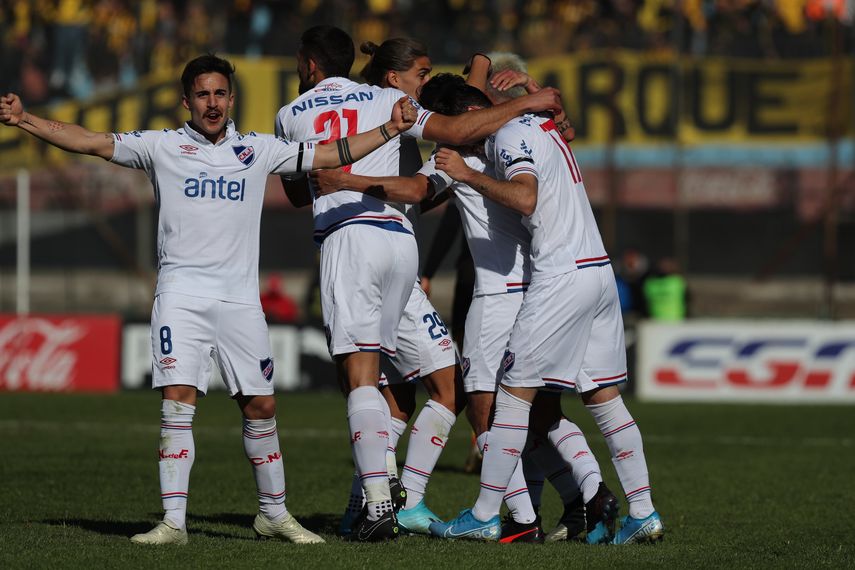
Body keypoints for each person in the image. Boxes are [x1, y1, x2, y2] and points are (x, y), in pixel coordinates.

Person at [0, 53, 417, 546]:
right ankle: (173, 523)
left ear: (231, 99)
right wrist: (25, 119)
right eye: (202, 95)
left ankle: (274, 515)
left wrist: (389, 131)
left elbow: (329, 154)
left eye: (220, 93)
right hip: (181, 295)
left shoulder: (260, 149)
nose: (212, 103)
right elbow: (90, 141)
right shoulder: (161, 146)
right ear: (186, 102)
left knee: (261, 406)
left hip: (240, 301)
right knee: (179, 401)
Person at [275, 26, 562, 542]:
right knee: (435, 386)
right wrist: (523, 98)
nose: (424, 84)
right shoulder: (392, 102)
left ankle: (383, 504)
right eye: (421, 75)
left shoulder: (291, 112)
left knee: (368, 379)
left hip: (350, 243)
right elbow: (456, 127)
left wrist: (480, 67)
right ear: (395, 76)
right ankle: (384, 499)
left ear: (308, 65)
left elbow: (297, 193)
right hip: (398, 247)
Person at [313, 72, 609, 545]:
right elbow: (552, 126)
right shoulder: (514, 138)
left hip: (497, 298)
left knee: (485, 413)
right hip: (542, 287)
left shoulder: (463, 156)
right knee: (540, 414)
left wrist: (347, 180)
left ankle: (516, 516)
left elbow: (416, 189)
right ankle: (586, 499)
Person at [427, 70, 665, 545]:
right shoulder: (538, 125)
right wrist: (535, 91)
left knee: (513, 398)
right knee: (604, 401)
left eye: (453, 127)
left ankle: (487, 513)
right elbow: (563, 124)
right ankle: (644, 512)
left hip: (559, 275)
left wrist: (467, 173)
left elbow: (526, 197)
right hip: (598, 271)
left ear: (470, 117)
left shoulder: (509, 134)